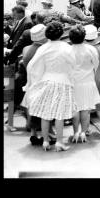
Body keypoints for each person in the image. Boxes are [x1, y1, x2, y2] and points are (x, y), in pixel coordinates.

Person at [26, 21, 77, 152]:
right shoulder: (66, 47)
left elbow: (34, 66)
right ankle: (59, 142)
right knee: (59, 114)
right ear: (61, 33)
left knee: (45, 113)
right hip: (62, 81)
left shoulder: (43, 48)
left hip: (46, 81)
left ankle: (45, 141)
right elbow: (73, 64)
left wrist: (33, 83)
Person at [19, 23, 51, 146]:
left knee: (32, 109)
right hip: (41, 83)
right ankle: (47, 135)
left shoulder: (27, 49)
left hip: (31, 83)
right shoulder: (43, 50)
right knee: (43, 112)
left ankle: (33, 133)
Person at [68, 25, 100, 143]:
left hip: (73, 83)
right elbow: (96, 65)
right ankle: (83, 132)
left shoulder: (68, 50)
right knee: (85, 109)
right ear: (84, 36)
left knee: (75, 109)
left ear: (70, 38)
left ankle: (75, 132)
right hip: (87, 82)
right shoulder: (91, 49)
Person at [84, 24, 100, 135]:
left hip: (87, 79)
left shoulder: (84, 49)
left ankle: (87, 128)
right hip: (98, 79)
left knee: (87, 105)